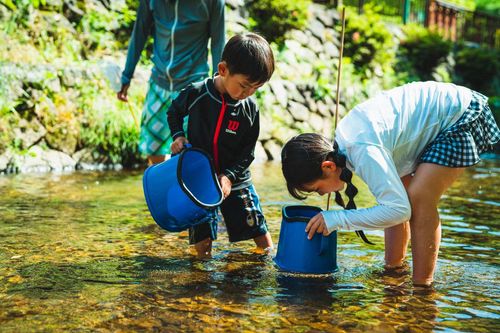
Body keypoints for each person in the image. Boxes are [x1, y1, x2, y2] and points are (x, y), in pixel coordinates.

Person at [281, 81, 500, 286]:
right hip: (428, 124)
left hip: (459, 115)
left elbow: (399, 212)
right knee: (395, 196)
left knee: (419, 197)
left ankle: (422, 288)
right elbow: (393, 206)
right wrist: (391, 272)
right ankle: (394, 269)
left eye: (317, 189)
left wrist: (337, 219)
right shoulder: (349, 145)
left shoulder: (361, 149)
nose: (321, 195)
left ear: (328, 167)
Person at [167, 33, 275, 257]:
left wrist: (229, 176)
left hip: (236, 179)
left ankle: (269, 260)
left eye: (256, 88)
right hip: (200, 177)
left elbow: (248, 153)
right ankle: (201, 278)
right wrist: (178, 137)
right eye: (244, 86)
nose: (248, 93)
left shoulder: (249, 109)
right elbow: (174, 112)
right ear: (223, 69)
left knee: (257, 227)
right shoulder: (197, 93)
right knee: (203, 237)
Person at [117, 0, 225, 165]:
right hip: (159, 83)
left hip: (194, 87)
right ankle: (165, 187)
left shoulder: (213, 2)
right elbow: (139, 34)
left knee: (191, 155)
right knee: (153, 151)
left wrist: (218, 90)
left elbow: (218, 43)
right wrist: (126, 76)